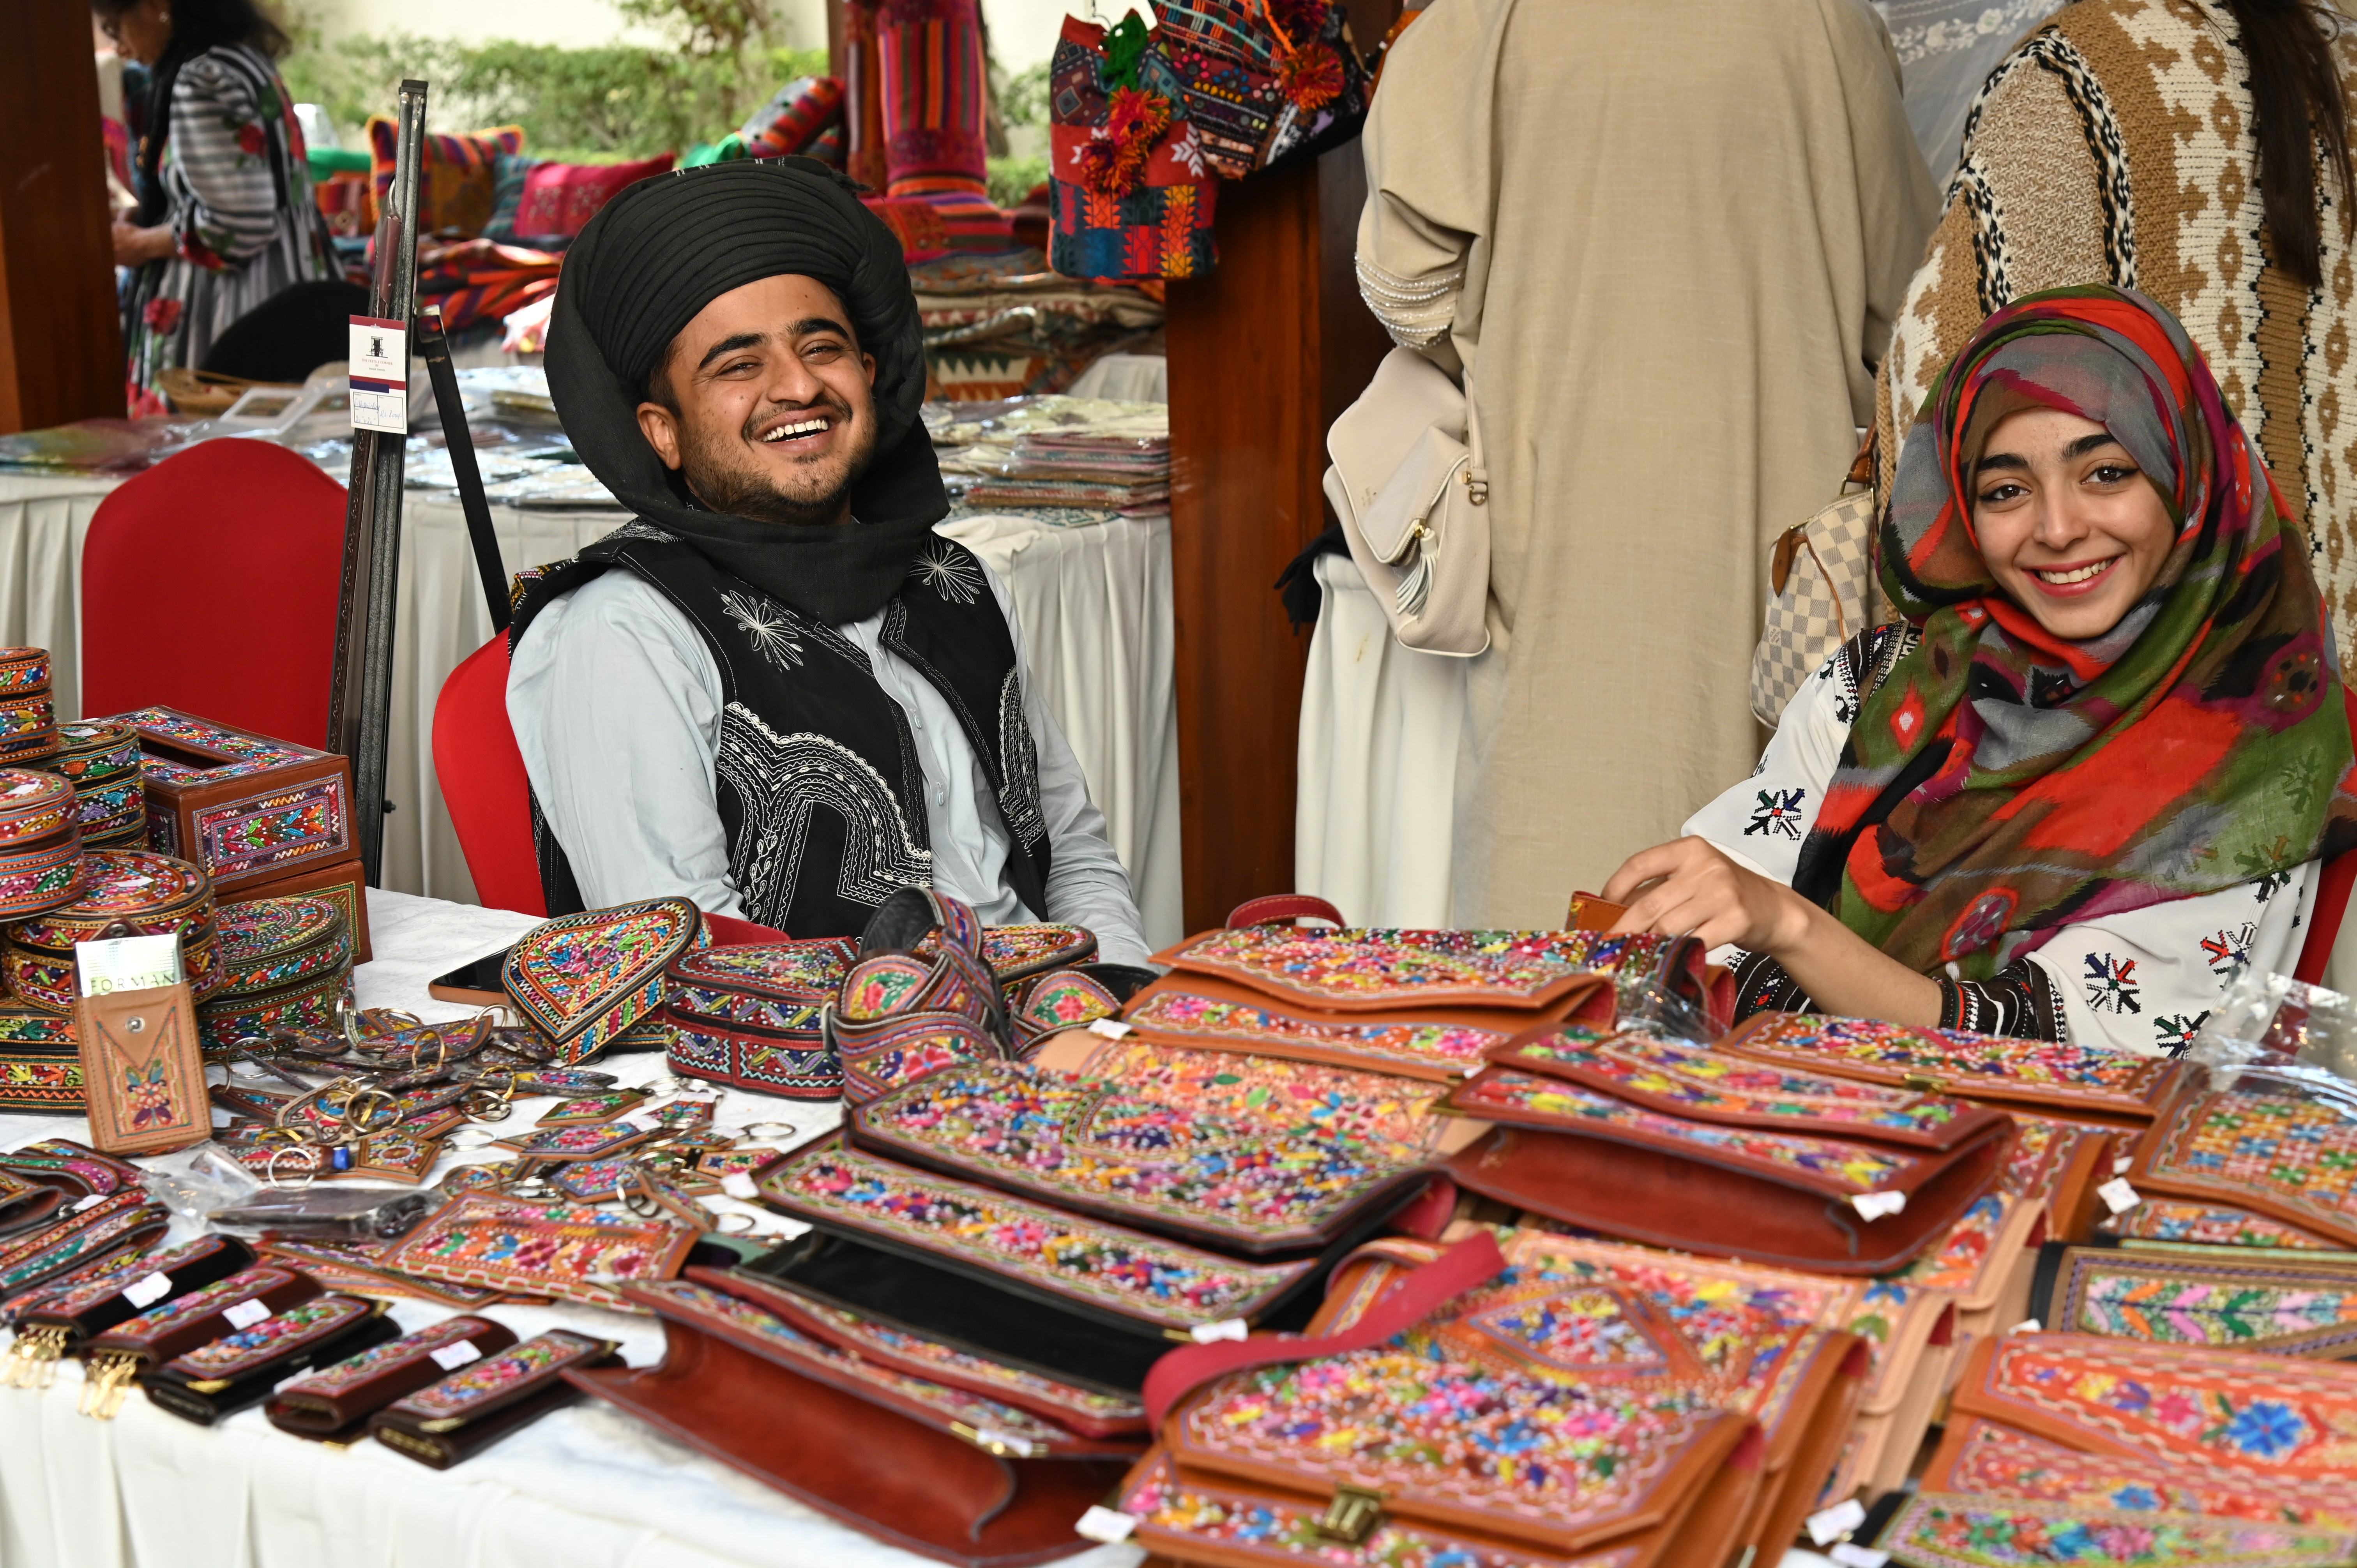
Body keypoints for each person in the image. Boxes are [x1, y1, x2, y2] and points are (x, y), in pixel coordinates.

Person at [1606, 286, 2357, 1056]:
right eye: (2006, 490)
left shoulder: (2256, 753)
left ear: (2189, 480)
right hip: (1784, 1127)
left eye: (2106, 473)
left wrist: (1790, 926)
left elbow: (2071, 1051)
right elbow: (1725, 894)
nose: (2058, 528)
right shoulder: (1885, 683)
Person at [1354, 0, 1939, 928]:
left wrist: (1515, 331)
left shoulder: (1483, 20)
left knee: (1553, 896)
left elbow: (1405, 289)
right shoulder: (1825, 21)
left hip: (1561, 520)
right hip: (1777, 545)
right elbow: (1909, 307)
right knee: (1772, 890)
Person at [507, 158, 1150, 965]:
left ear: (870, 378)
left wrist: (1118, 999)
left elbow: (1076, 855)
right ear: (661, 430)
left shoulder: (954, 584)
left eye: (822, 345)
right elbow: (690, 954)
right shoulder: (625, 629)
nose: (799, 386)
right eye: (739, 366)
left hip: (1048, 1025)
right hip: (819, 1065)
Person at [1877, 0, 2357, 665]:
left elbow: (1936, 389)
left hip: (2123, 690)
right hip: (2303, 685)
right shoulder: (2341, 64)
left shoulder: (2074, 78)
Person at [93, 0, 336, 411]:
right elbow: (253, 191)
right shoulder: (245, 61)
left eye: (117, 28)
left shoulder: (202, 79)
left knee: (214, 457)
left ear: (156, 6)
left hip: (229, 319)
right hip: (292, 283)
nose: (121, 49)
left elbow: (237, 227)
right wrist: (160, 212)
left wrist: (143, 243)